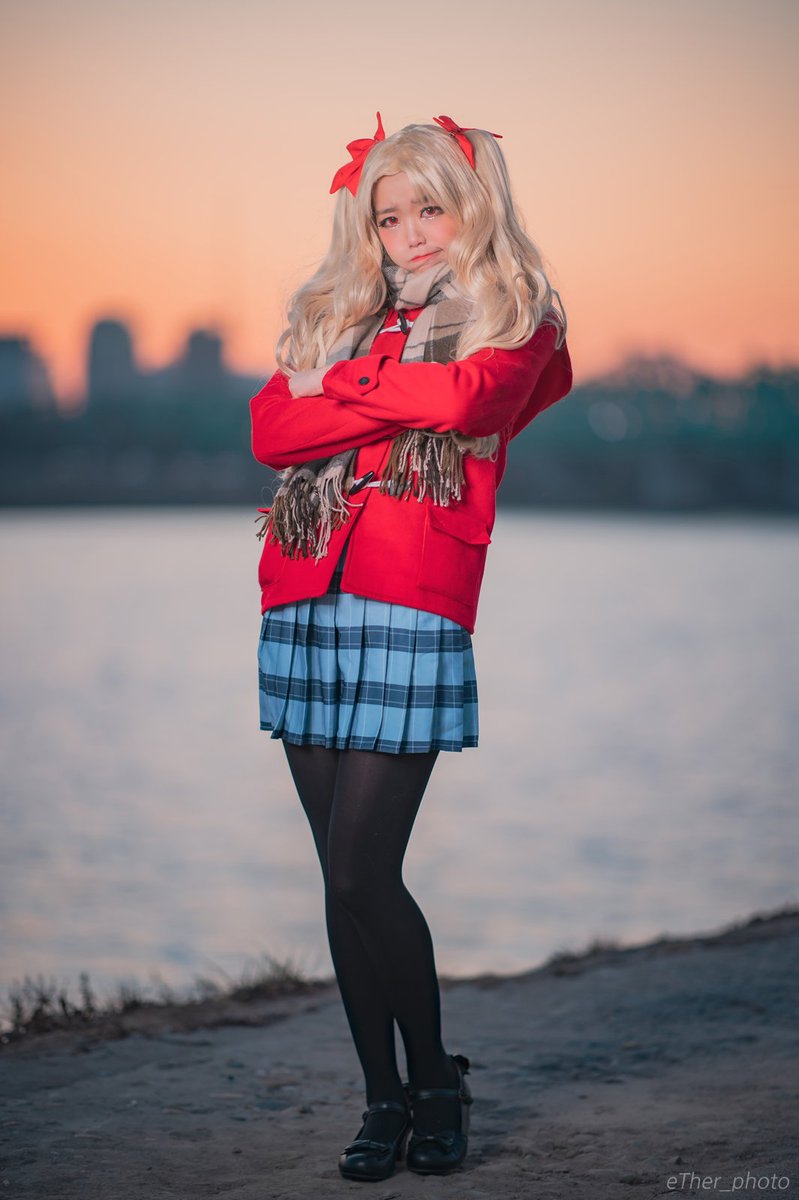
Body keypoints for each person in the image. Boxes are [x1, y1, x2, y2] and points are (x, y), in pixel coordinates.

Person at [249, 111, 573, 1182]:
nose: (409, 234)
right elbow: (269, 431)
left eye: (429, 208)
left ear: (470, 205)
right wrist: (382, 401)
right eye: (388, 219)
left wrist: (332, 396)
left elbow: (469, 396)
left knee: (362, 866)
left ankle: (435, 1078)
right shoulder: (335, 316)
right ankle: (382, 1100)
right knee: (337, 881)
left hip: (412, 599)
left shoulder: (515, 315)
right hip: (304, 593)